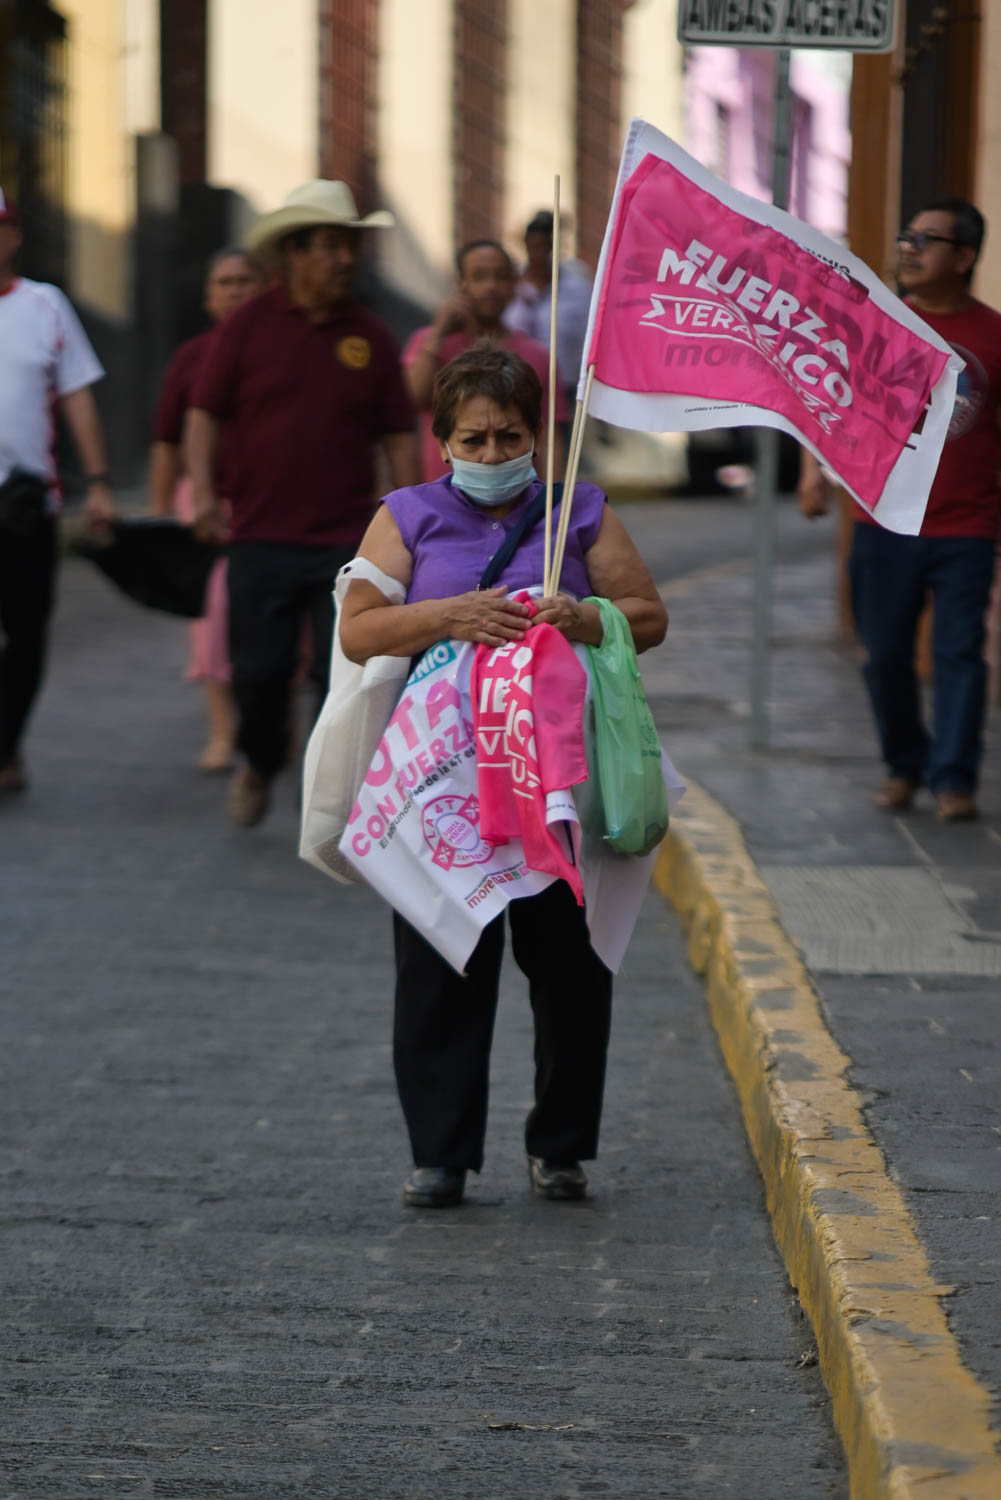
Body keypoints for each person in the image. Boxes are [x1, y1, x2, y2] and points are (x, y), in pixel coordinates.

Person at [338, 346, 667, 1208]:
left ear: (540, 438)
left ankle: (559, 1147)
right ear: (440, 439)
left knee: (567, 964)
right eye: (473, 440)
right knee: (441, 962)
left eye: (509, 437)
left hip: (558, 781)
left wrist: (585, 613)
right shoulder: (405, 516)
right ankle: (439, 1154)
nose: (491, 457)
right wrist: (447, 615)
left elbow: (647, 613)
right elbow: (359, 630)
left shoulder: (579, 513)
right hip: (444, 783)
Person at [186, 180, 419, 827]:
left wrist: (413, 524)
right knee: (256, 674)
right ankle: (260, 759)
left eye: (349, 246)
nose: (344, 259)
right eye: (329, 246)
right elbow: (202, 414)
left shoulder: (370, 337)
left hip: (346, 544)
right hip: (258, 535)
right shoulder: (247, 326)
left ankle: (324, 795)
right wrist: (203, 495)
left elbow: (399, 435)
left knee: (335, 675)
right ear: (293, 252)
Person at [799, 197, 1001, 822]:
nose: (909, 248)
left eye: (928, 240)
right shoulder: (882, 326)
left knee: (959, 653)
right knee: (883, 651)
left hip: (967, 525)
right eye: (906, 236)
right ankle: (903, 765)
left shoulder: (995, 335)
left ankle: (952, 778)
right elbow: (830, 404)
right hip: (883, 520)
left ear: (964, 257)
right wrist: (813, 474)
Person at [0, 187, 116, 794]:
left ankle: (7, 744)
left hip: (26, 505)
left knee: (25, 630)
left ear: (13, 235)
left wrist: (97, 482)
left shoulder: (45, 306)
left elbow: (75, 396)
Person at [149, 247, 264, 771]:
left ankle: (270, 729)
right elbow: (167, 442)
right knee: (214, 622)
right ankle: (222, 732)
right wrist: (159, 521)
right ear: (208, 296)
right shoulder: (192, 357)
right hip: (205, 505)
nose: (235, 290)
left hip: (270, 506)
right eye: (224, 282)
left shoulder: (275, 352)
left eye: (244, 281)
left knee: (275, 624)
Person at [402, 239, 568, 483]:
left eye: (500, 277)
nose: (491, 286)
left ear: (514, 284)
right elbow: (410, 400)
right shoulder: (429, 342)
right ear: (460, 285)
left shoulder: (538, 356)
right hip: (441, 501)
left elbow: (551, 438)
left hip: (518, 500)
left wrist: (552, 497)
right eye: (479, 277)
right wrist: (438, 332)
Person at [504, 209, 593, 405]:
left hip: (563, 384)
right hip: (515, 385)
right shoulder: (510, 286)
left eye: (544, 246)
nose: (539, 254)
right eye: (533, 246)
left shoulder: (576, 286)